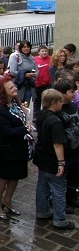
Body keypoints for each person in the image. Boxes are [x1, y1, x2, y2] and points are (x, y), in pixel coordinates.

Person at [34, 89, 75, 229]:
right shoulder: (55, 121)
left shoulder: (41, 115)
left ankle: (42, 211)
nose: (61, 105)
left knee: (42, 186)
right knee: (58, 190)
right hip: (52, 159)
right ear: (53, 103)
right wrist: (61, 163)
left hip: (42, 157)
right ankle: (60, 219)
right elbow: (58, 144)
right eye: (59, 102)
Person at [0, 75, 31, 220]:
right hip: (8, 148)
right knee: (4, 177)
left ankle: (7, 200)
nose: (15, 89)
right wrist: (25, 129)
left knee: (16, 175)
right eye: (11, 88)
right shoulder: (0, 109)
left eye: (14, 86)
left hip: (19, 146)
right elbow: (6, 132)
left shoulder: (15, 103)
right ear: (3, 91)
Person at [52, 79, 79, 210]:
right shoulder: (58, 109)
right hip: (66, 149)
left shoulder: (73, 105)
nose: (74, 93)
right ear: (62, 93)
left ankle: (72, 197)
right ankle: (62, 201)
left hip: (76, 148)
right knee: (63, 179)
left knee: (74, 174)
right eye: (71, 91)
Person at [8, 40, 38, 105]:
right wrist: (24, 75)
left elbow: (36, 70)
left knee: (26, 105)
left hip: (29, 85)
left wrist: (34, 75)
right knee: (17, 104)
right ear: (20, 48)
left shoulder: (32, 58)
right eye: (24, 47)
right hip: (18, 85)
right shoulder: (15, 57)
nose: (26, 48)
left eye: (28, 47)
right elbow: (12, 72)